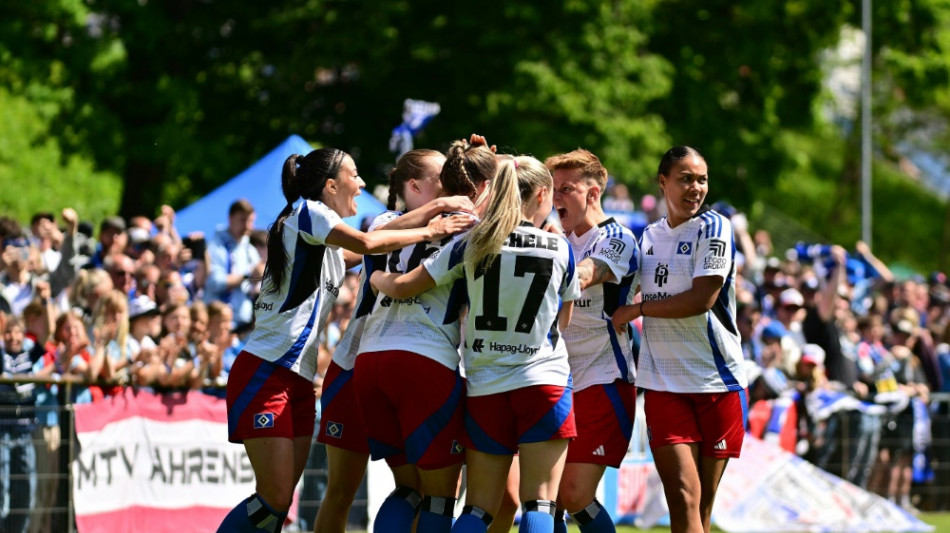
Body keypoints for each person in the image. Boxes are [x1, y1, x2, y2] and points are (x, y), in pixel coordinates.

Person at [217, 147, 471, 533]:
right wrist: (435, 228)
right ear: (331, 184)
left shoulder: (327, 241)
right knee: (271, 499)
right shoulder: (308, 211)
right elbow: (370, 244)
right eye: (355, 175)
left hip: (299, 379)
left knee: (281, 502)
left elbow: (381, 233)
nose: (363, 183)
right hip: (265, 370)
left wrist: (437, 209)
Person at [373, 156, 580, 533]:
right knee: (540, 505)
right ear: (543, 194)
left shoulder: (473, 241)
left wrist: (377, 280)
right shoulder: (560, 246)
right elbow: (561, 322)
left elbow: (405, 286)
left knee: (478, 509)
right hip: (543, 382)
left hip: (485, 388)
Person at [313, 148, 473, 533]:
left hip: (366, 362)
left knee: (405, 490)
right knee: (355, 493)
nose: (451, 186)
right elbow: (371, 244)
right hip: (384, 362)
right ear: (415, 186)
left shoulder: (406, 222)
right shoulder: (398, 222)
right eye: (442, 180)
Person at [612, 146, 747, 533]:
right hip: (663, 383)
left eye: (702, 179)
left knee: (702, 507)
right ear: (663, 181)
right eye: (686, 178)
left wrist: (638, 310)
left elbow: (702, 299)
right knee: (683, 500)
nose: (696, 187)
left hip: (716, 381)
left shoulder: (716, 227)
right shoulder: (648, 236)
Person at [545, 149, 639, 532]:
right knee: (545, 497)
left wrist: (547, 251)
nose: (556, 199)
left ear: (593, 193)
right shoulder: (557, 237)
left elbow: (586, 273)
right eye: (552, 190)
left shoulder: (617, 236)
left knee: (574, 494)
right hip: (554, 377)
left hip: (603, 377)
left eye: (566, 189)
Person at [205, 199, 265, 329]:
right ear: (230, 218)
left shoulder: (250, 249)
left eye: (250, 221)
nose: (247, 226)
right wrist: (248, 276)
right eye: (243, 220)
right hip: (220, 325)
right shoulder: (216, 246)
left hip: (244, 324)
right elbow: (214, 282)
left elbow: (258, 286)